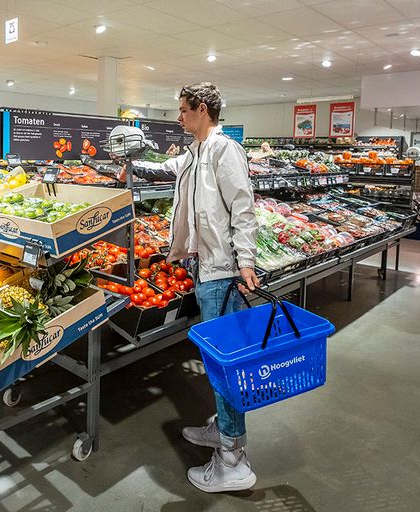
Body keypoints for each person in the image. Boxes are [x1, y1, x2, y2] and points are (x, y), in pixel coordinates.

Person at [118, 82, 260, 492]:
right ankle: (225, 430)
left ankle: (232, 459)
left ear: (201, 109)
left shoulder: (222, 150)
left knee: (222, 362)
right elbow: (167, 169)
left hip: (222, 270)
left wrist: (246, 261)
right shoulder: (196, 153)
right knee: (217, 358)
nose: (177, 117)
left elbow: (243, 208)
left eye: (182, 110)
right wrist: (132, 162)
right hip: (203, 266)